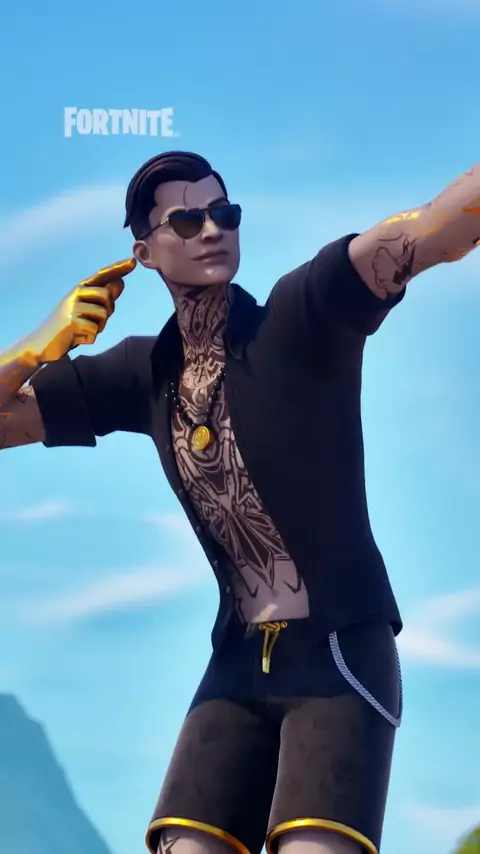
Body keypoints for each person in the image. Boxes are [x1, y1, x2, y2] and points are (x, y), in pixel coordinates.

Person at [1, 152, 479, 854]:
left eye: (224, 213)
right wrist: (37, 347)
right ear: (144, 253)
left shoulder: (301, 315)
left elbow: (437, 227)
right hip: (236, 660)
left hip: (339, 652)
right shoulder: (144, 373)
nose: (211, 230)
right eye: (186, 220)